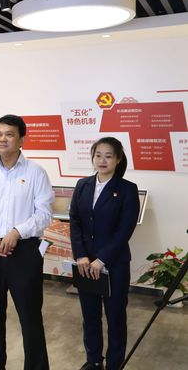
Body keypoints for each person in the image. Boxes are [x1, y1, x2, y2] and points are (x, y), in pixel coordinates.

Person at [0, 114, 54, 370]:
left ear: (21, 139)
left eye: (9, 134)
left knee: (30, 316)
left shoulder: (36, 173)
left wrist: (17, 232)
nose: (2, 139)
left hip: (24, 252)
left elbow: (44, 214)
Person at [69, 137, 140, 370]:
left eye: (108, 156)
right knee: (90, 316)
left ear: (118, 159)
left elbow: (124, 230)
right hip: (85, 264)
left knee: (115, 318)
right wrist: (81, 255)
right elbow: (75, 221)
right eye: (98, 155)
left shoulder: (127, 189)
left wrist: (102, 259)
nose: (102, 160)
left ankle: (114, 364)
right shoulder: (83, 185)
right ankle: (94, 361)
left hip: (114, 265)